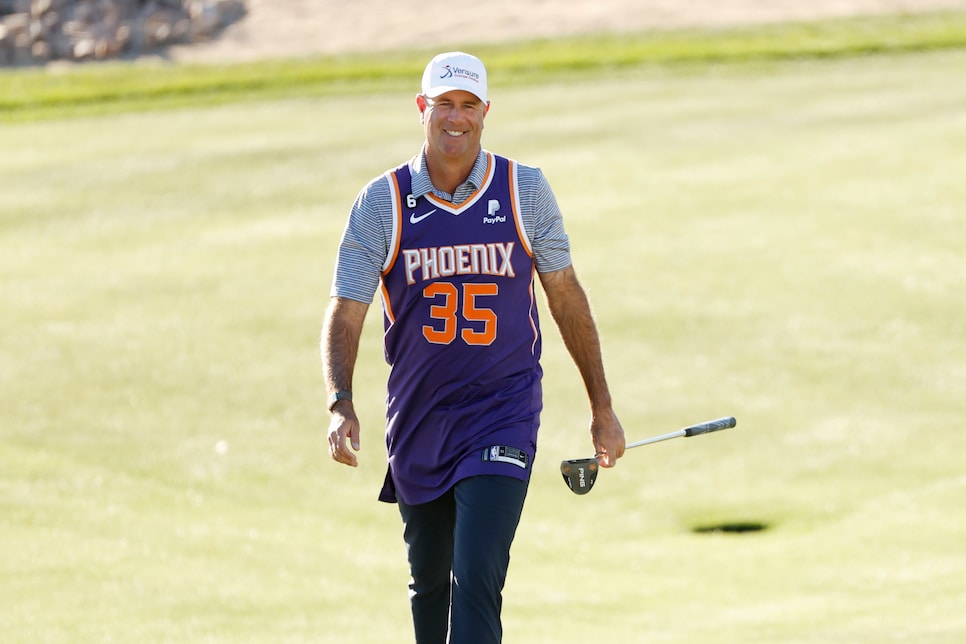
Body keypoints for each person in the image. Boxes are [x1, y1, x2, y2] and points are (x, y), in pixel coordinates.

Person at [321, 51, 625, 644]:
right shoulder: (382, 203)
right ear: (422, 109)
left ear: (486, 112)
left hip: (503, 415)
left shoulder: (524, 190)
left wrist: (602, 407)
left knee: (478, 576)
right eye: (444, 105)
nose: (455, 119)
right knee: (429, 590)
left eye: (468, 106)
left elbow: (564, 297)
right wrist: (340, 399)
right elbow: (347, 309)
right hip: (420, 421)